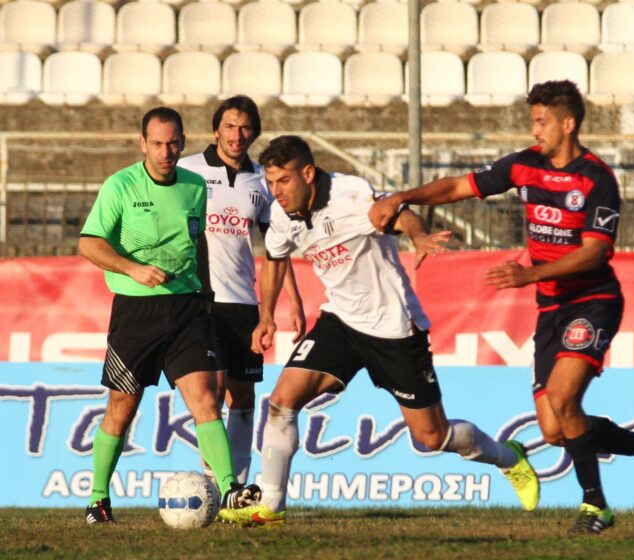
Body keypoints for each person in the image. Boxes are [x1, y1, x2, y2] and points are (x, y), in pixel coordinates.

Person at [369, 80, 634, 534]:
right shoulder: (524, 165)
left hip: (592, 300)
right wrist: (404, 197)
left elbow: (596, 251)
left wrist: (529, 274)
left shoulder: (597, 178)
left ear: (568, 123)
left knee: (563, 398)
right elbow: (461, 186)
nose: (535, 130)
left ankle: (595, 505)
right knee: (556, 428)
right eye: (533, 121)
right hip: (551, 306)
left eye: (542, 121)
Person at [219, 135, 540, 527]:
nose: (276, 191)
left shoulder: (350, 194)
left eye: (283, 181)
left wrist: (418, 235)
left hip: (393, 329)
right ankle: (270, 505)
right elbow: (275, 257)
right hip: (340, 322)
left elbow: (399, 212)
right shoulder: (283, 216)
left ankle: (509, 457)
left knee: (432, 436)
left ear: (307, 172)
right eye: (270, 183)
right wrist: (267, 314)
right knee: (282, 401)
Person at [78, 107, 260, 525]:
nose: (166, 151)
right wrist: (132, 268)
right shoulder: (120, 185)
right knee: (121, 409)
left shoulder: (195, 186)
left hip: (188, 310)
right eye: (157, 143)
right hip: (136, 312)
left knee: (207, 401)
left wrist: (204, 295)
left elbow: (197, 245)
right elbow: (89, 243)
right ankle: (98, 499)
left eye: (173, 143)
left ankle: (230, 489)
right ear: (143, 143)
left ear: (182, 141)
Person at [178, 95, 305, 485]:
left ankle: (238, 488)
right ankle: (214, 483)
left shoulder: (261, 182)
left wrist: (292, 301)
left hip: (244, 304)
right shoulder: (188, 171)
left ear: (255, 132)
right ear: (216, 129)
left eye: (245, 127)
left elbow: (277, 247)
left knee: (244, 399)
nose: (237, 134)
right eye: (230, 126)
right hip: (200, 301)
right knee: (210, 395)